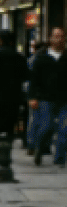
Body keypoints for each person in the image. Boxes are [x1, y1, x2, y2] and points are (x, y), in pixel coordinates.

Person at [27, 27, 67, 167]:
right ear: (50, 38)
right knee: (46, 126)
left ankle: (60, 158)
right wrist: (32, 97)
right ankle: (39, 147)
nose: (59, 39)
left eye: (61, 36)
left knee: (64, 128)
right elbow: (34, 80)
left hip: (64, 99)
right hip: (45, 98)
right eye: (56, 36)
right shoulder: (42, 58)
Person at [0, 30, 30, 147]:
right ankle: (7, 144)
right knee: (10, 123)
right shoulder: (19, 57)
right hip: (14, 96)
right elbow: (26, 75)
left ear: (0, 40)